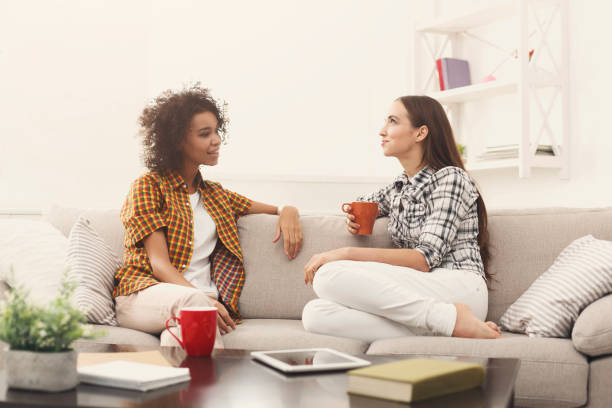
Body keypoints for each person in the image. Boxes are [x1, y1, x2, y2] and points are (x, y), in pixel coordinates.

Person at [114, 84, 303, 347]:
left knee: (182, 343)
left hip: (197, 302)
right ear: (178, 141)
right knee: (198, 312)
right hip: (144, 295)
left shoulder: (215, 195)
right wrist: (203, 301)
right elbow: (159, 264)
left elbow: (274, 208)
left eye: (216, 131)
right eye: (205, 134)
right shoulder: (148, 186)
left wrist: (289, 211)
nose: (216, 140)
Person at [301, 95, 501, 342]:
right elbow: (365, 203)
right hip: (420, 292)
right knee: (315, 314)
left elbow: (423, 260)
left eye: (393, 121)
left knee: (328, 275)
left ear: (420, 133)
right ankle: (446, 324)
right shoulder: (399, 187)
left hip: (459, 287)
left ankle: (452, 318)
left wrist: (344, 253)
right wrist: (353, 217)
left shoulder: (451, 178)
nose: (382, 131)